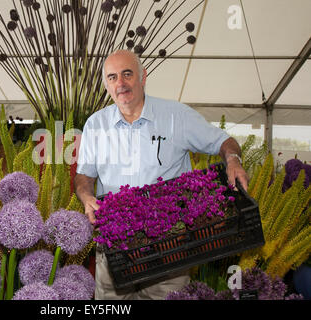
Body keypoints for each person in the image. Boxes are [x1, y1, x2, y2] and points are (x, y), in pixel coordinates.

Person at [74, 49, 249, 300]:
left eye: (127, 74)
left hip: (168, 249)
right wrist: (85, 195)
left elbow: (224, 141)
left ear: (143, 76)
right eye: (112, 77)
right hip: (114, 252)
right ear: (106, 85)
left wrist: (233, 160)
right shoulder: (95, 124)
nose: (120, 83)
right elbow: (84, 176)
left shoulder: (176, 116)